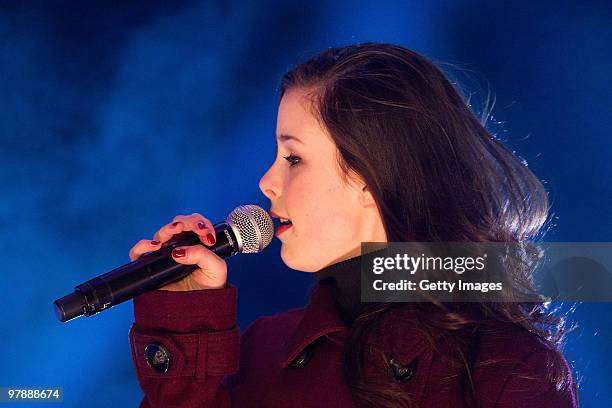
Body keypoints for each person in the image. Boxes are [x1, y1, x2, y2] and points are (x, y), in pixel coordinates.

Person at [127, 43, 578, 407]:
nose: (267, 182)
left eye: (294, 158)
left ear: (372, 176)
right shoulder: (264, 348)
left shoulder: (504, 368)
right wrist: (184, 325)